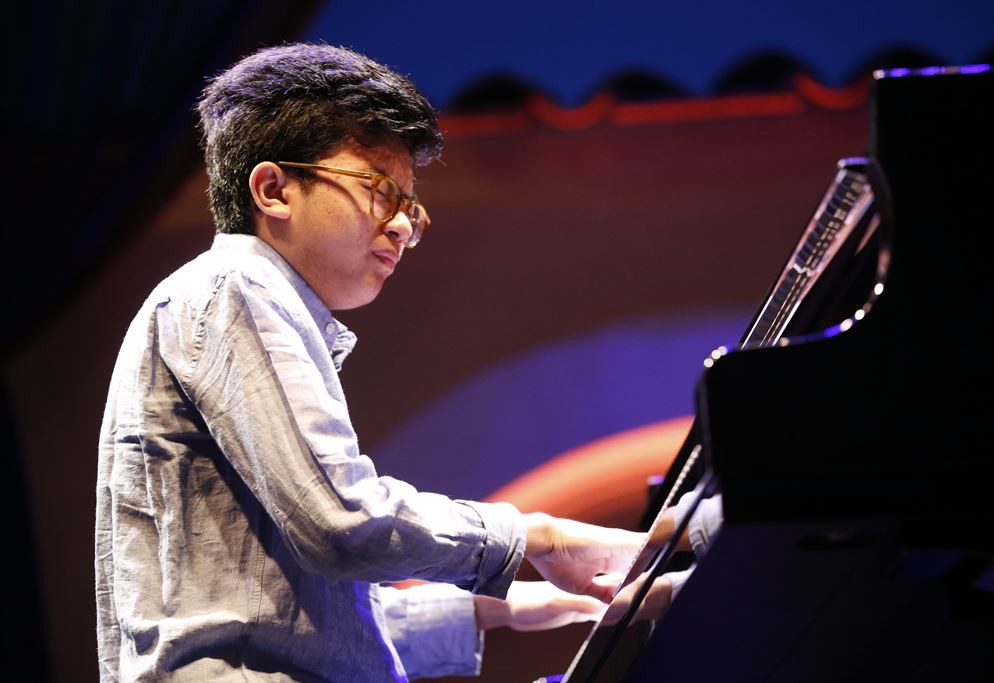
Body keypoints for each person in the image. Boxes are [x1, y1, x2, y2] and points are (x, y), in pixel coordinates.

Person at [93, 42, 648, 682]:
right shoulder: (237, 288)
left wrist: (501, 608)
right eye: (382, 191)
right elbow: (341, 523)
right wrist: (542, 539)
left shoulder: (233, 297)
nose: (405, 228)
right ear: (274, 189)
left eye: (411, 206)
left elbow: (284, 619)